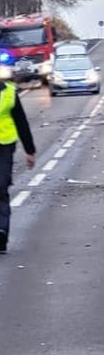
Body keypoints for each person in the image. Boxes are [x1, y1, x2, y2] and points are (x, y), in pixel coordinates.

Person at [0, 78, 36, 253]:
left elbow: (21, 122)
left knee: (1, 186)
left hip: (5, 146)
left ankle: (1, 232)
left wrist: (30, 150)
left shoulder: (9, 92)